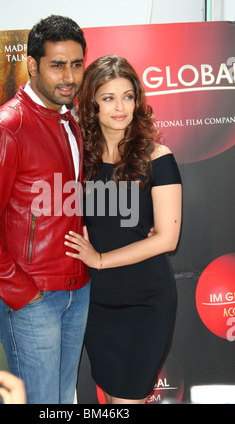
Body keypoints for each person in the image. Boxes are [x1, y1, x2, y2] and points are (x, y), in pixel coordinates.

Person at [0, 15, 90, 404]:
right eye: (57, 65)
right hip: (35, 299)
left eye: (77, 64)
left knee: (63, 400)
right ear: (32, 65)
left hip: (75, 290)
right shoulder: (6, 128)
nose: (69, 76)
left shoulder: (68, 119)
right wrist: (23, 294)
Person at [65, 55, 182, 404]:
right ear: (92, 104)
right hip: (95, 303)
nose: (121, 107)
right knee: (114, 399)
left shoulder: (158, 157)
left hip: (145, 301)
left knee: (127, 400)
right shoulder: (77, 158)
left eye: (128, 96)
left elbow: (167, 237)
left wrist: (99, 259)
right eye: (109, 97)